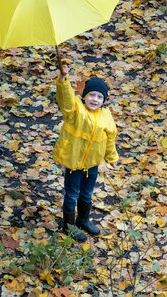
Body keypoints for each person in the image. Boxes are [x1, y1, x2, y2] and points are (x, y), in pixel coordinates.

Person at [53, 57, 118, 242]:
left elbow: (110, 138)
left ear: (104, 100)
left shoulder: (106, 116)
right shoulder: (75, 110)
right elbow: (65, 99)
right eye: (92, 95)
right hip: (74, 163)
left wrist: (111, 157)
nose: (95, 99)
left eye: (99, 97)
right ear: (84, 96)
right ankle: (68, 226)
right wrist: (64, 79)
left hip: (92, 165)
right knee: (72, 194)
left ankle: (83, 219)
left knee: (87, 194)